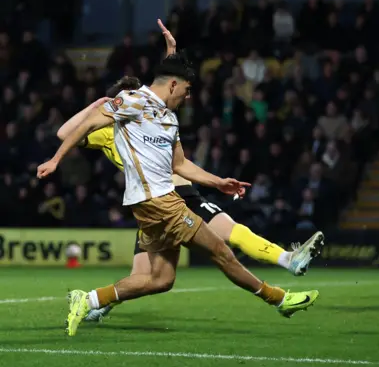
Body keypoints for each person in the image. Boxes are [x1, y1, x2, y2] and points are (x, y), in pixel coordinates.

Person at [56, 21, 324, 322]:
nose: (139, 97)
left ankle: (94, 301)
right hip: (169, 197)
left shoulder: (152, 112)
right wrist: (99, 104)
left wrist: (171, 52)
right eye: (130, 95)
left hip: (153, 200)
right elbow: (66, 132)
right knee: (226, 240)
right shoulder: (114, 125)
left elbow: (164, 93)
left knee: (156, 278)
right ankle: (285, 273)